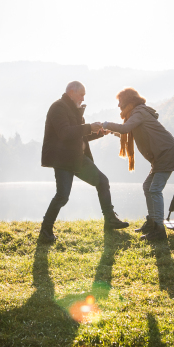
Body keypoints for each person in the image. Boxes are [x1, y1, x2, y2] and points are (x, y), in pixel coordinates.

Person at [39, 80, 129, 243]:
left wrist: (100, 132)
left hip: (77, 158)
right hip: (63, 159)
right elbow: (65, 133)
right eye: (81, 95)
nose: (83, 98)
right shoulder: (58, 107)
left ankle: (110, 220)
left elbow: (80, 135)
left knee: (102, 182)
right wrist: (88, 127)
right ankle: (45, 230)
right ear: (71, 92)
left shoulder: (75, 110)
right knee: (62, 196)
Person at [102, 87, 174, 242]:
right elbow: (126, 131)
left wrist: (106, 124)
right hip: (160, 157)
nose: (118, 106)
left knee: (154, 189)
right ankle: (152, 222)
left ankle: (159, 230)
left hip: (166, 155)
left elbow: (125, 129)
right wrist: (110, 131)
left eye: (120, 102)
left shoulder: (139, 112)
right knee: (148, 186)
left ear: (129, 101)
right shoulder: (136, 113)